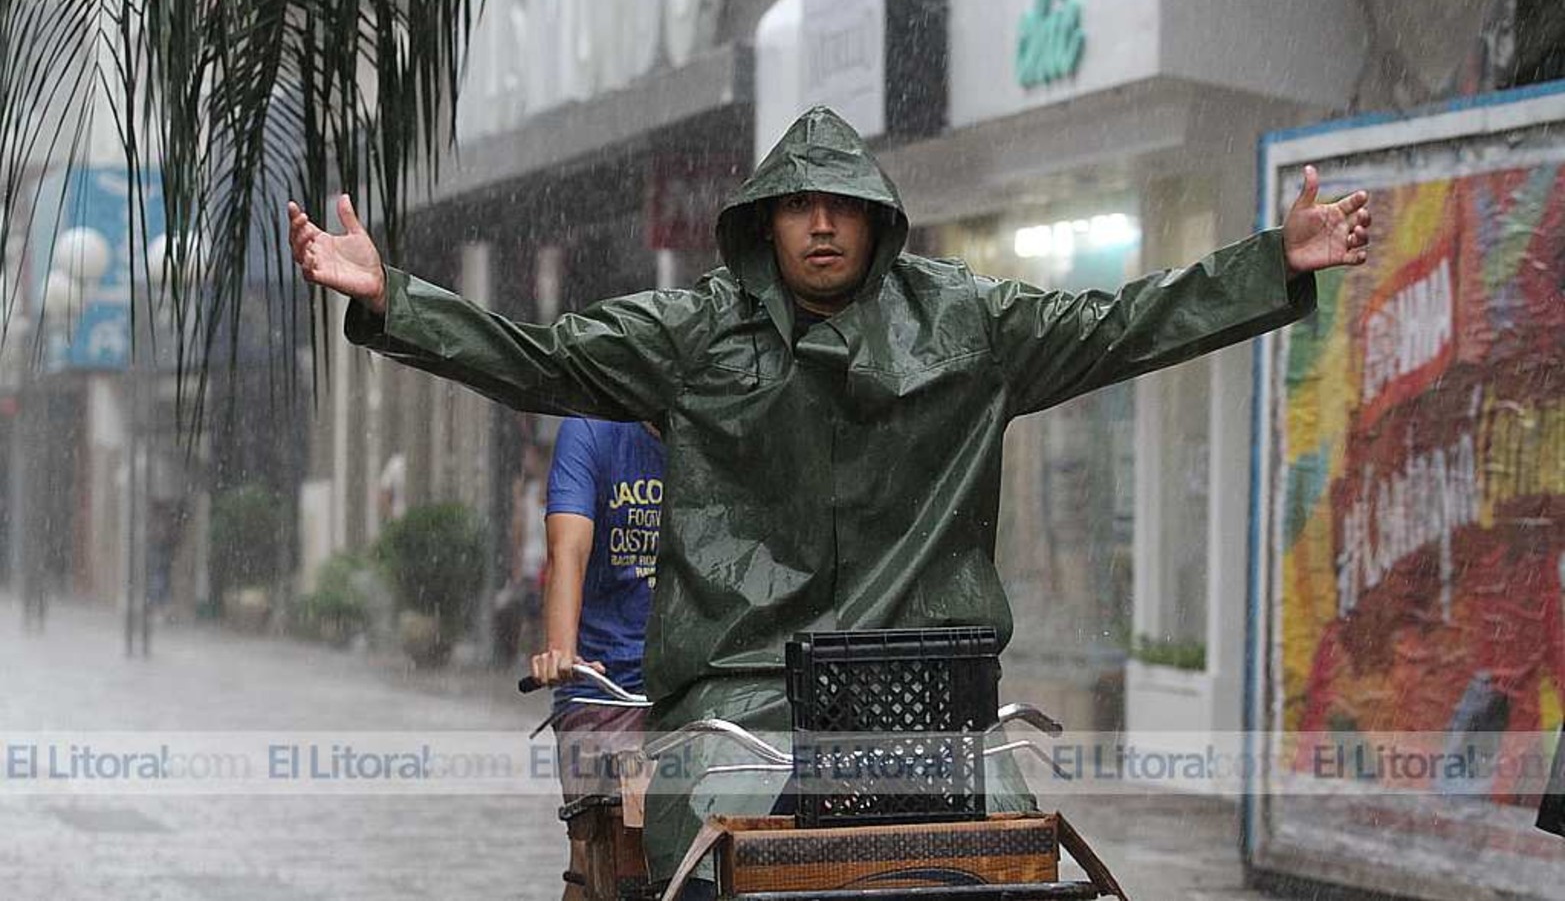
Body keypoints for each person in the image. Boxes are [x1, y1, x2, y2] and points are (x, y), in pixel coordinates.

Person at [289, 105, 1372, 887]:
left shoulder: (968, 323)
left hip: (928, 694)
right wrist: (396, 300)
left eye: (841, 206)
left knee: (1008, 852)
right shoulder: (696, 332)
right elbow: (541, 357)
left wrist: (1272, 263)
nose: (819, 225)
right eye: (798, 205)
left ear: (875, 220)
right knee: (718, 850)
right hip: (737, 692)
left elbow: (1120, 324)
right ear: (764, 221)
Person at [530, 416, 665, 901]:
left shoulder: (714, 422)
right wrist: (561, 650)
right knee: (594, 860)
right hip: (602, 686)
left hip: (688, 685)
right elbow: (568, 549)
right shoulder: (590, 431)